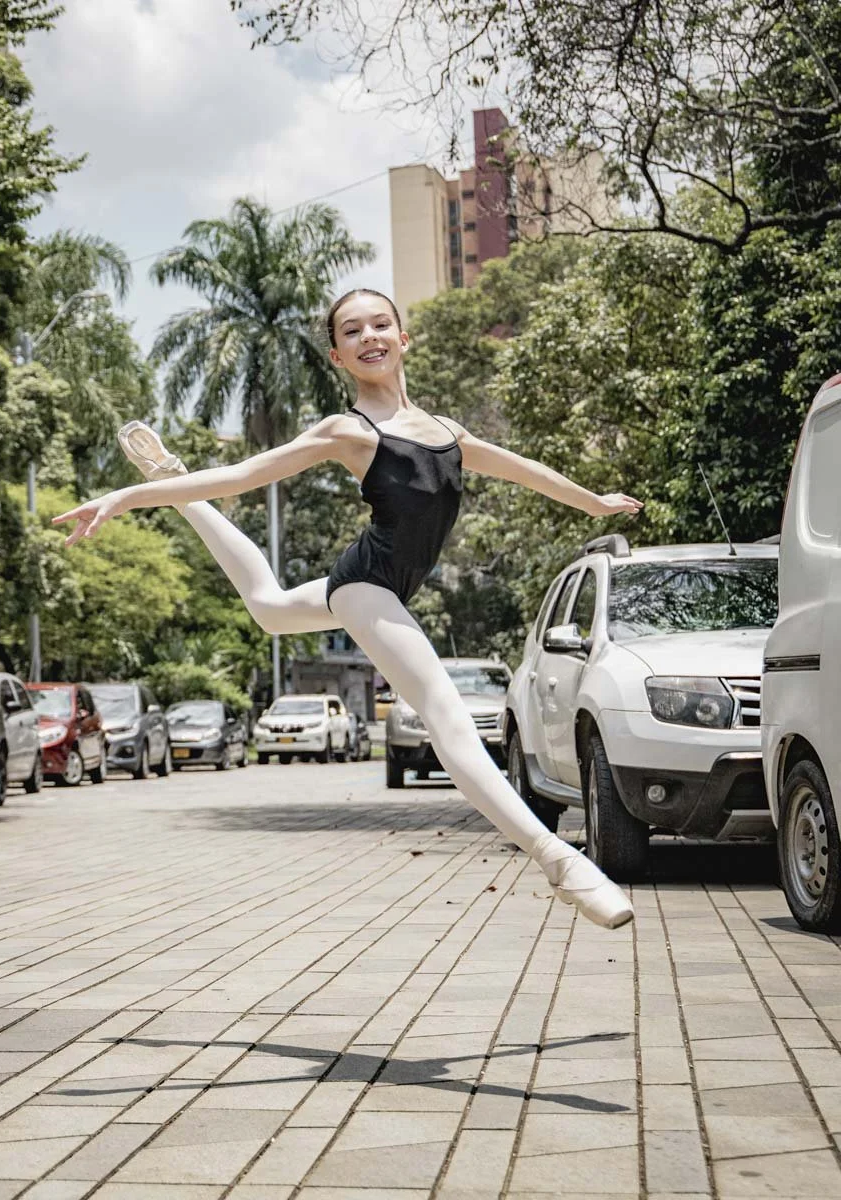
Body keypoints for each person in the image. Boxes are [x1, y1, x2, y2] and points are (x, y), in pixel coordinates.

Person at [53, 288, 643, 929]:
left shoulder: (448, 434)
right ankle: (559, 860)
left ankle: (175, 482)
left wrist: (592, 502)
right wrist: (127, 495)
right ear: (338, 355)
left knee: (271, 607)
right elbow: (244, 474)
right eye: (352, 331)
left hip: (376, 584)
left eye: (380, 324)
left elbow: (523, 469)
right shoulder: (351, 431)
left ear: (402, 337)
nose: (369, 337)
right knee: (445, 714)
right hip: (367, 584)